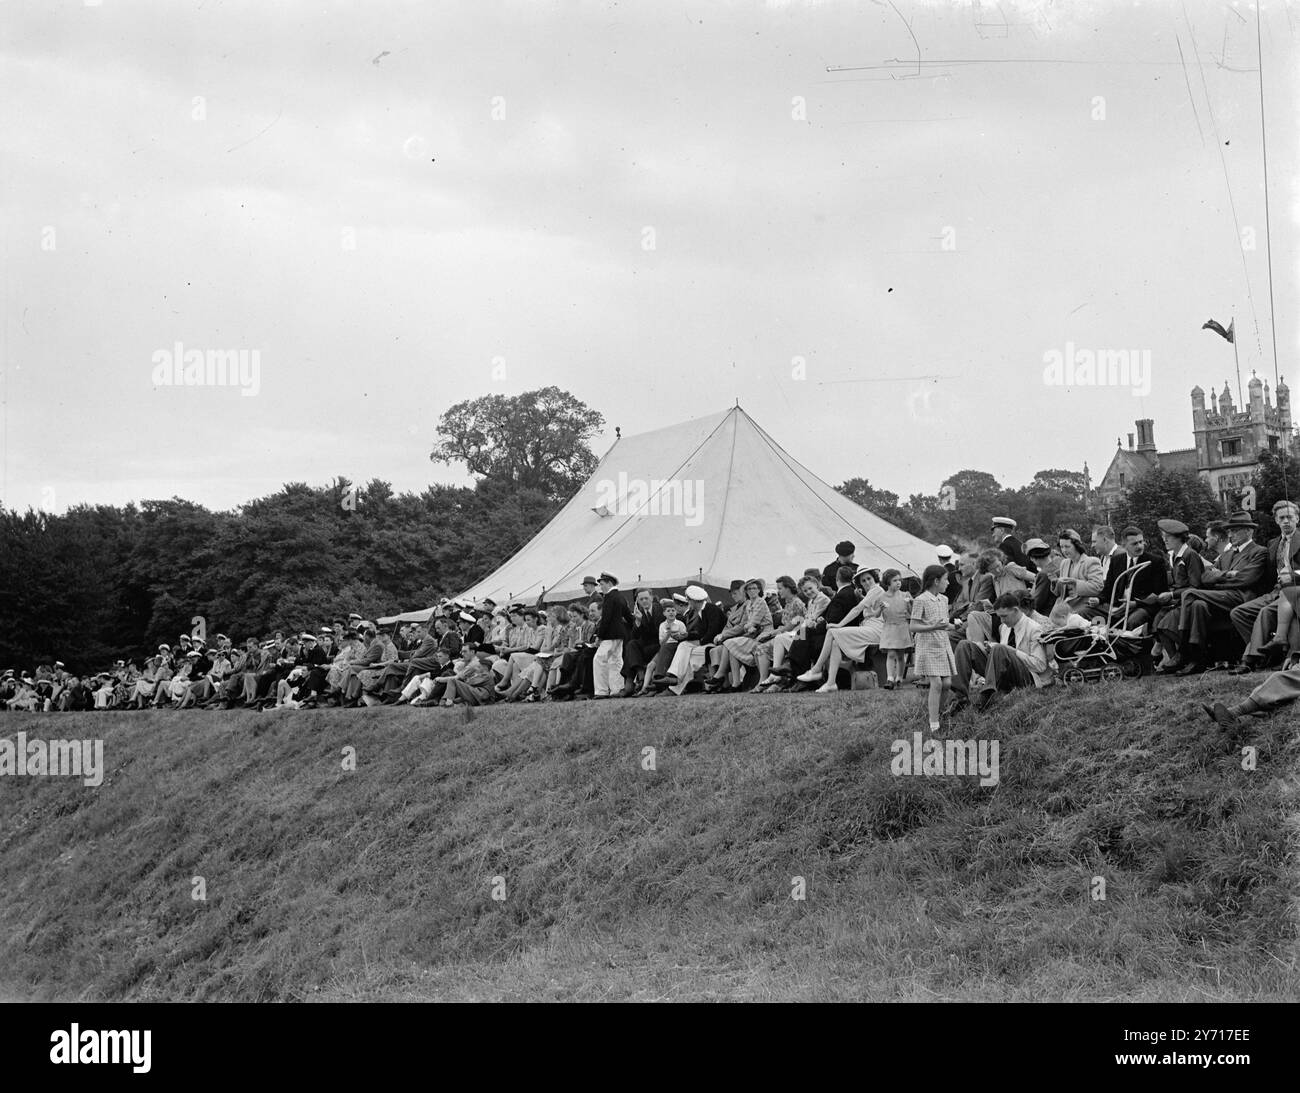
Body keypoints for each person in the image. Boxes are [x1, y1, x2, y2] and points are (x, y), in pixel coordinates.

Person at [1175, 511, 1270, 675]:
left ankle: (1182, 651)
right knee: (1197, 604)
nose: (1230, 534)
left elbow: (1246, 579)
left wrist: (1218, 579)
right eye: (1229, 531)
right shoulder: (1227, 554)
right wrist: (1225, 575)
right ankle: (1197, 659)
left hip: (1243, 597)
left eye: (1235, 530)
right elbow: (1205, 576)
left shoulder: (1259, 551)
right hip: (1223, 597)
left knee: (1190, 594)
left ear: (1249, 531)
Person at [947, 591, 1052, 713]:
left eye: (1004, 616)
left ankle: (986, 696)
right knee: (964, 645)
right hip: (1005, 675)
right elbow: (1001, 658)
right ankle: (961, 697)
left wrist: (1011, 651)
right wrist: (988, 650)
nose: (1002, 620)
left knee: (1000, 648)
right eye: (1000, 616)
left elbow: (1040, 665)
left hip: (1029, 677)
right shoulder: (1004, 627)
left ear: (1016, 610)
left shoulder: (1034, 628)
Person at [1228, 499, 1300, 674]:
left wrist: (1293, 575)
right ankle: (1264, 655)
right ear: (1276, 520)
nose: (1286, 521)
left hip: (1296, 590)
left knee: (1265, 613)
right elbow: (1267, 575)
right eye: (1281, 518)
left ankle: (1250, 660)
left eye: (1290, 517)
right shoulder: (1273, 544)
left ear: (1297, 518)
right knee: (1239, 612)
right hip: (1276, 591)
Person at [805, 567, 885, 693]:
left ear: (874, 578)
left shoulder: (877, 590)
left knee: (832, 631)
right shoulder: (869, 593)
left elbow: (857, 609)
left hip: (876, 630)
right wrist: (860, 596)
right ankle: (831, 683)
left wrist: (839, 625)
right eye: (863, 581)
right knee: (836, 642)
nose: (867, 582)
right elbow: (867, 608)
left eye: (869, 578)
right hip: (867, 628)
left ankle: (816, 669)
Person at [1152, 518, 1206, 672]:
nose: (1165, 540)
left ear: (1179, 538)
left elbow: (1196, 586)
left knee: (1165, 624)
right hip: (1179, 600)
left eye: (1168, 537)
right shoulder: (1176, 556)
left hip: (1189, 601)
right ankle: (1176, 657)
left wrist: (1171, 595)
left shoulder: (1190, 555)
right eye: (1164, 537)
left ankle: (1182, 657)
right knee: (1158, 623)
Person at [910, 564, 958, 731]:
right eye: (946, 580)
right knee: (936, 683)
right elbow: (913, 626)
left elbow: (943, 624)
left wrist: (956, 626)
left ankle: (939, 712)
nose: (948, 583)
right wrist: (933, 627)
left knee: (946, 683)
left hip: (941, 644)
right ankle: (934, 723)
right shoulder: (920, 600)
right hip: (927, 645)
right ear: (936, 581)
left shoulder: (944, 600)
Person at [657, 585, 726, 695]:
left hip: (717, 643)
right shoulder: (701, 612)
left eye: (688, 600)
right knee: (685, 647)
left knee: (688, 654)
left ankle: (674, 684)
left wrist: (698, 641)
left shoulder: (711, 609)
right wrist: (686, 636)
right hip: (707, 643)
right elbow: (700, 633)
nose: (688, 603)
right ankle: (674, 679)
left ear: (694, 601)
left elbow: (713, 632)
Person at [709, 578, 773, 692]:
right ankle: (735, 683)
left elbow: (751, 623)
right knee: (730, 648)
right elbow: (747, 625)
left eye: (754, 588)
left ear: (759, 590)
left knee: (729, 643)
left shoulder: (760, 602)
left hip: (764, 635)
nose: (752, 591)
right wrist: (724, 634)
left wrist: (748, 627)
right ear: (746, 591)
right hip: (752, 635)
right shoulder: (749, 604)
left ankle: (721, 674)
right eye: (749, 589)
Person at [591, 573, 635, 698]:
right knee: (615, 661)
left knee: (599, 659)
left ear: (609, 583)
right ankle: (617, 689)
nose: (601, 587)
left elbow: (606, 618)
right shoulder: (620, 596)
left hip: (610, 634)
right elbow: (628, 615)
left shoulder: (609, 596)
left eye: (602, 584)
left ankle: (601, 691)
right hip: (620, 634)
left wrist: (600, 636)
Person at [620, 589, 663, 697]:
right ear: (638, 601)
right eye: (641, 599)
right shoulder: (639, 611)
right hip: (646, 646)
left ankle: (629, 684)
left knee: (632, 650)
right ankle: (640, 673)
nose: (644, 601)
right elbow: (634, 635)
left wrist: (643, 621)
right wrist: (638, 622)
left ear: (651, 598)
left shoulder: (659, 609)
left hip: (658, 644)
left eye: (646, 598)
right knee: (631, 644)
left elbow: (657, 632)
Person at [877, 569, 914, 688]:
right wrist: (881, 608)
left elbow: (912, 613)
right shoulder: (882, 596)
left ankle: (899, 678)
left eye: (899, 580)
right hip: (890, 627)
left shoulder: (905, 595)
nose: (898, 583)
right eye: (895, 580)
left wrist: (912, 603)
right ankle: (890, 679)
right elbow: (876, 614)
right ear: (888, 582)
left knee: (900, 655)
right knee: (891, 653)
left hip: (902, 627)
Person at [1053, 529, 1103, 610]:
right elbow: (1060, 593)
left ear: (1077, 546)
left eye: (1067, 546)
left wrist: (1075, 582)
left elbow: (1097, 587)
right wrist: (1055, 582)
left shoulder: (1091, 561)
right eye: (1062, 547)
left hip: (1083, 605)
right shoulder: (1064, 563)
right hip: (1065, 604)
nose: (1064, 550)